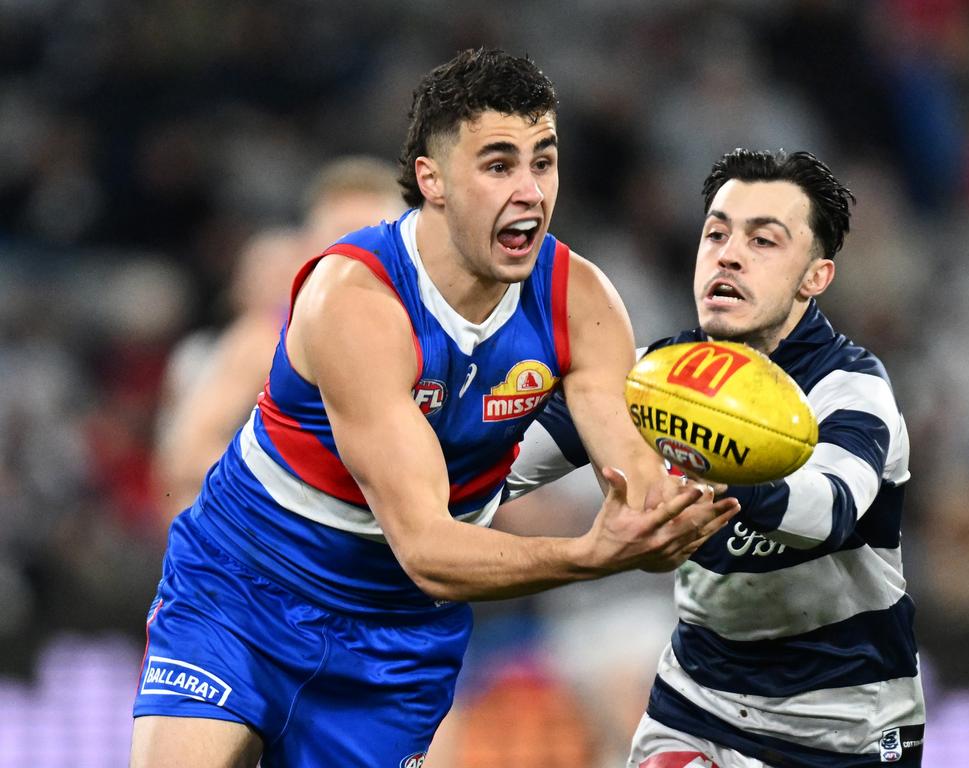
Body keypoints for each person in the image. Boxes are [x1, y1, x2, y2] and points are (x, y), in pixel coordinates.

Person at [130, 48, 739, 768]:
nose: (530, 191)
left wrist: (685, 499)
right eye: (498, 164)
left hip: (396, 632)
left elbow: (629, 471)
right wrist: (588, 556)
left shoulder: (583, 302)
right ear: (433, 180)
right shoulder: (355, 303)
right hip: (246, 586)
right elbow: (425, 547)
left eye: (543, 162)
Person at [506, 149, 925, 767]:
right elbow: (504, 467)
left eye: (764, 241)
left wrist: (717, 468)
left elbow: (828, 510)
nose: (729, 254)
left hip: (844, 726)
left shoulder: (851, 387)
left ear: (816, 276)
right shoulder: (653, 379)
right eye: (717, 233)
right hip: (699, 707)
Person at [153, 157, 407, 526]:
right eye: (340, 237)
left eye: (370, 236)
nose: (357, 254)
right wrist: (305, 483)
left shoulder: (436, 340)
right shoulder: (266, 338)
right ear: (308, 247)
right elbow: (186, 455)